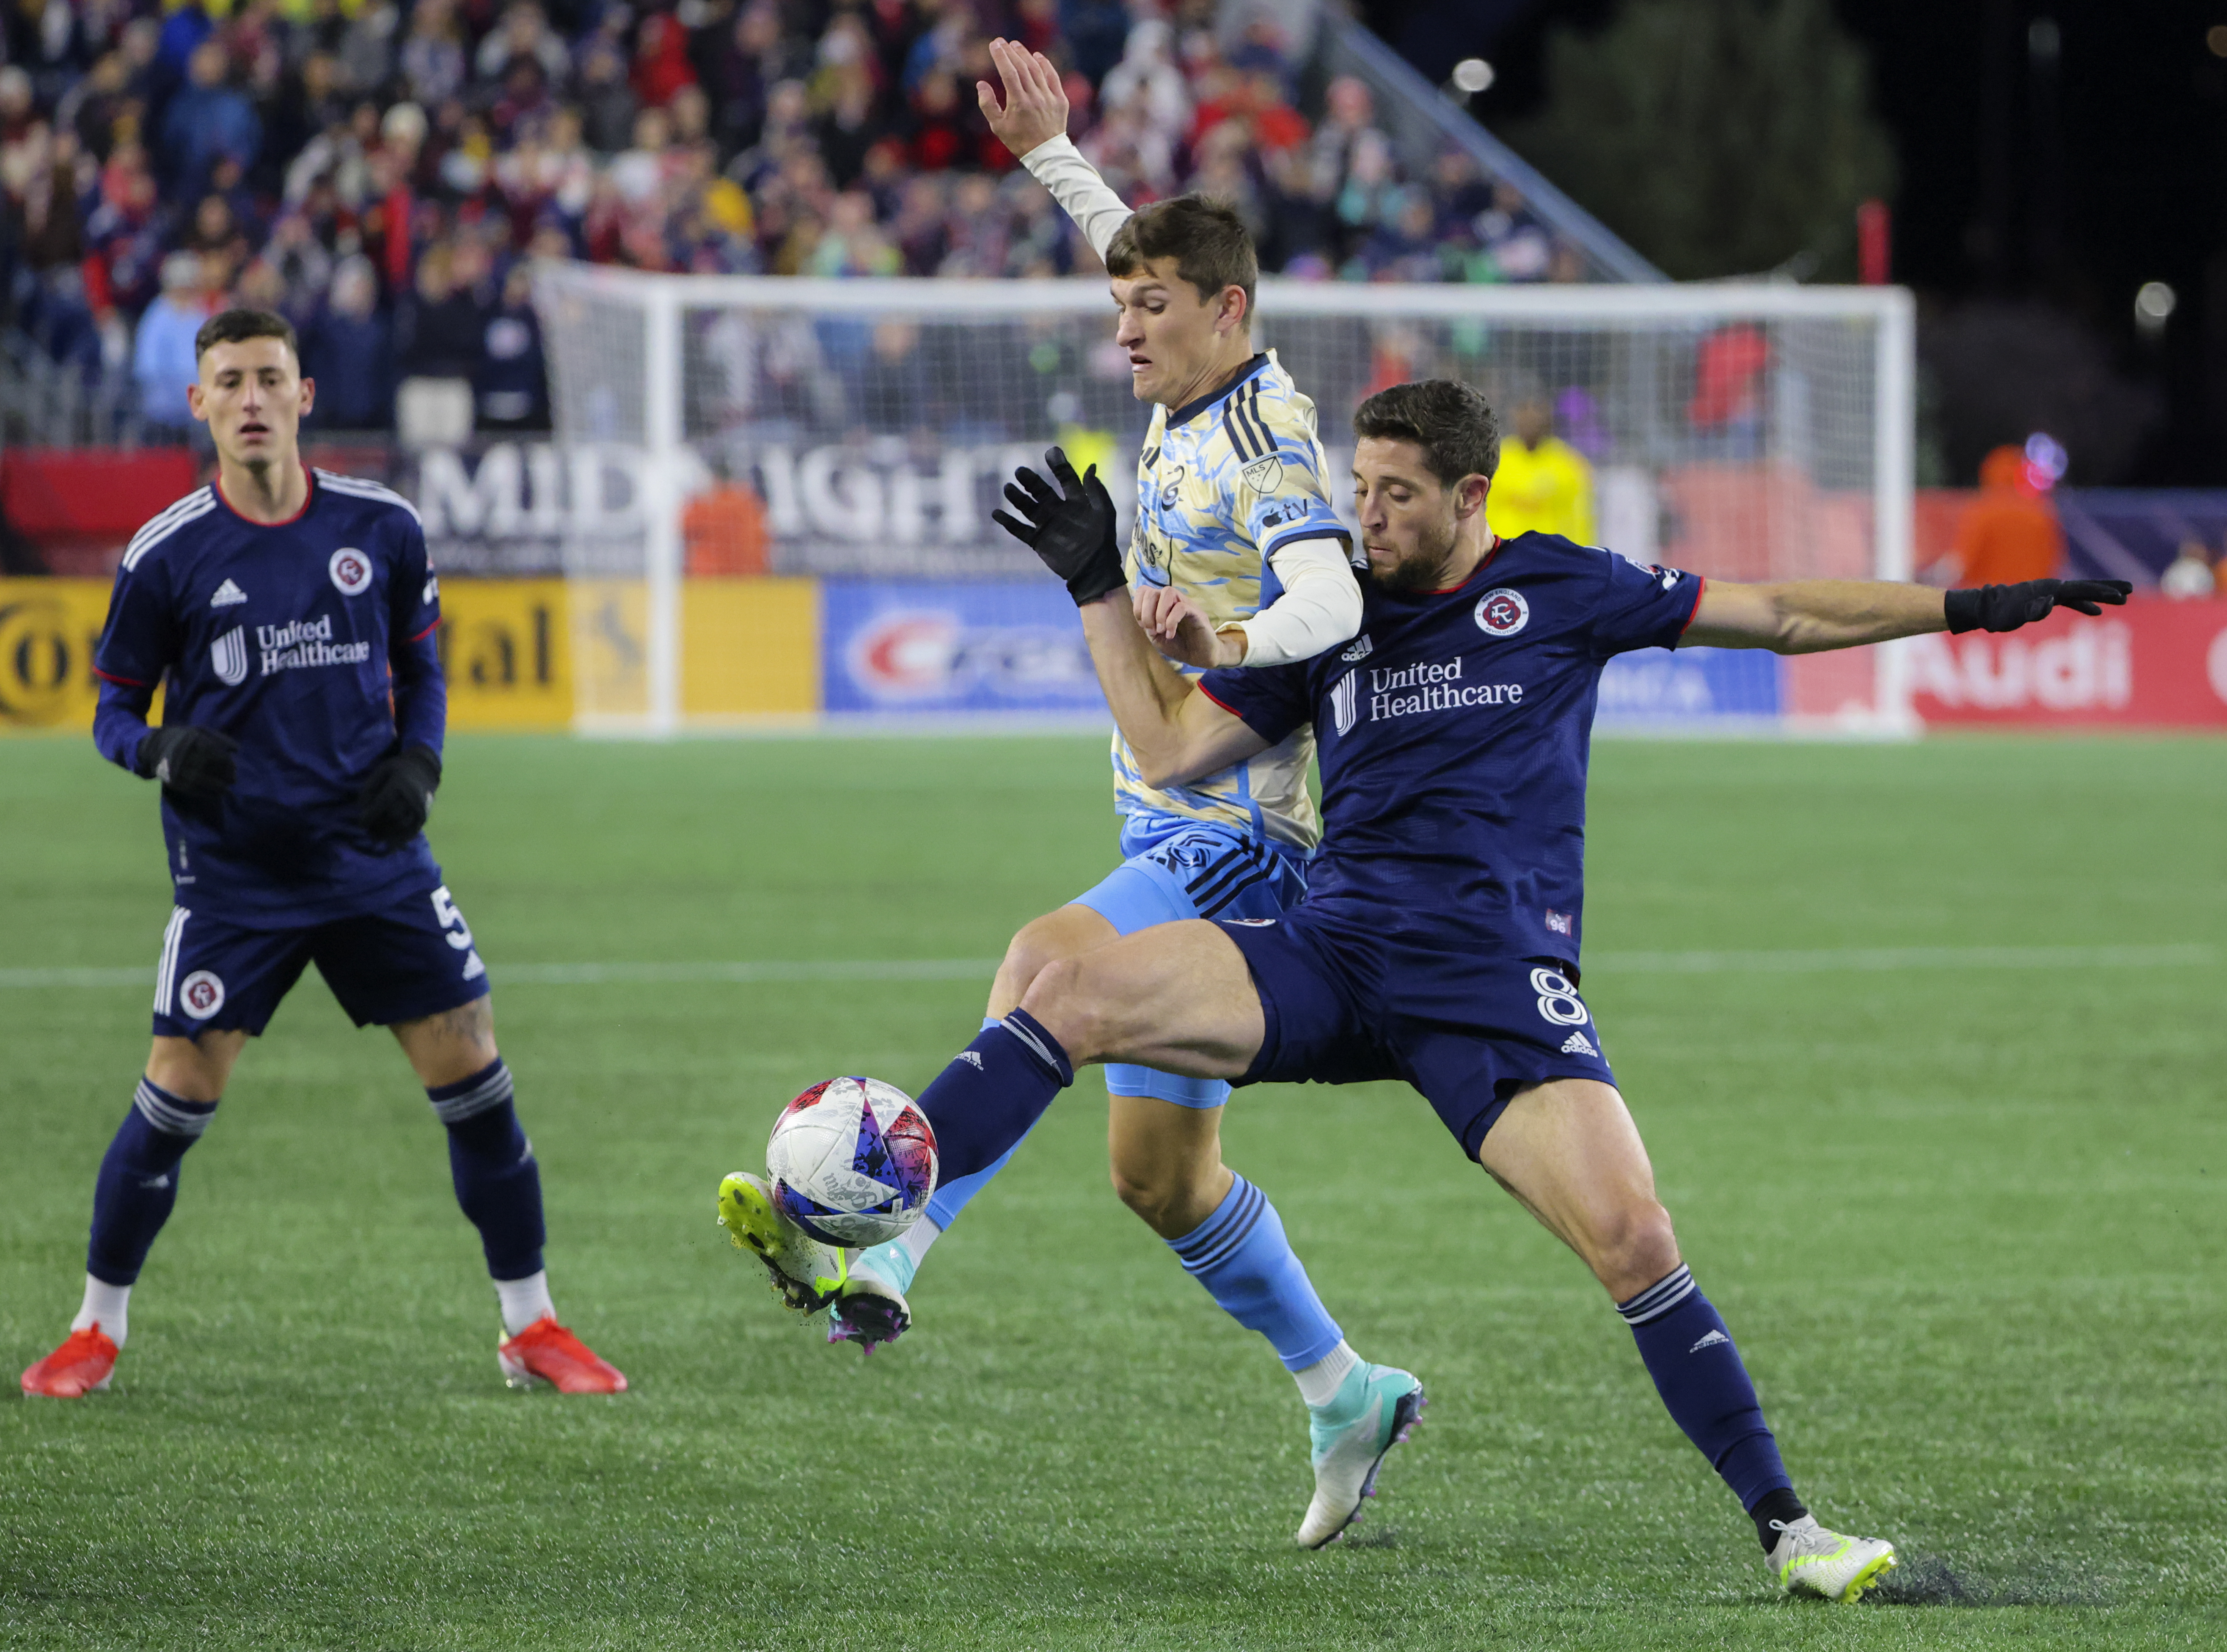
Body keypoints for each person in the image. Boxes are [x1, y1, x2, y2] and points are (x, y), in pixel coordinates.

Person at [729, 379, 2131, 1590]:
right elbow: (1167, 751)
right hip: (1331, 956)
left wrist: (1973, 606)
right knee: (1070, 991)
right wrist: (1101, 585)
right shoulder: (1327, 618)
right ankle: (882, 1214)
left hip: (1496, 990)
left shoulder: (1566, 588)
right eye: (1359, 487)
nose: (1368, 515)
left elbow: (1776, 613)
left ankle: (1794, 1533)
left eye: (1397, 494)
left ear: (1470, 497)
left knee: (1635, 1239)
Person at [724, 37, 1390, 1539]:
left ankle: (883, 1232)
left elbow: (1332, 601)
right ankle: (1345, 1386)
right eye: (1117, 304)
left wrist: (1225, 635)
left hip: (1241, 835)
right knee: (1158, 1177)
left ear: (1226, 313)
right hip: (1166, 812)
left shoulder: (1267, 440)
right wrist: (1049, 155)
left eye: (1146, 308)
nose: (1121, 325)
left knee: (1042, 959)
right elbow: (1136, 251)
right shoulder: (1193, 369)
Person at [19, 309, 625, 1401]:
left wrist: (421, 767)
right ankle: (94, 1330)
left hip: (374, 863)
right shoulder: (166, 555)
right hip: (234, 876)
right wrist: (158, 749)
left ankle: (531, 1326)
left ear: (304, 396)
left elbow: (423, 671)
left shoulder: (381, 527)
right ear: (197, 403)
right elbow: (110, 707)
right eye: (228, 382)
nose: (250, 399)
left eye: (268, 379)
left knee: (477, 1077)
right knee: (174, 1093)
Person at [1487, 395, 1594, 544]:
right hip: (1505, 551)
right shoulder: (1496, 459)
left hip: (1551, 553)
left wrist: (1580, 553)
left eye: (1537, 411)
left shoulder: (1568, 463)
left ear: (1547, 417)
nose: (1530, 419)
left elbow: (1579, 516)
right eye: (1524, 410)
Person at [1952, 445, 2061, 586]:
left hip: (1992, 601)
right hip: (2032, 601)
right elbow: (2054, 563)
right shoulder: (2042, 514)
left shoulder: (1983, 512)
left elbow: (1962, 563)